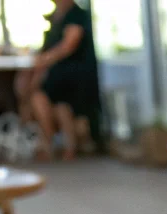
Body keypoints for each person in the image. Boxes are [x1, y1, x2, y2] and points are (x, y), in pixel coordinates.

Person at [26, 0, 100, 160]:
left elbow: (69, 45)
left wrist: (44, 60)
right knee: (39, 95)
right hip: (57, 75)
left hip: (73, 74)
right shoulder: (56, 17)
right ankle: (53, 141)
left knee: (46, 97)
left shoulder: (76, 15)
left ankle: (52, 142)